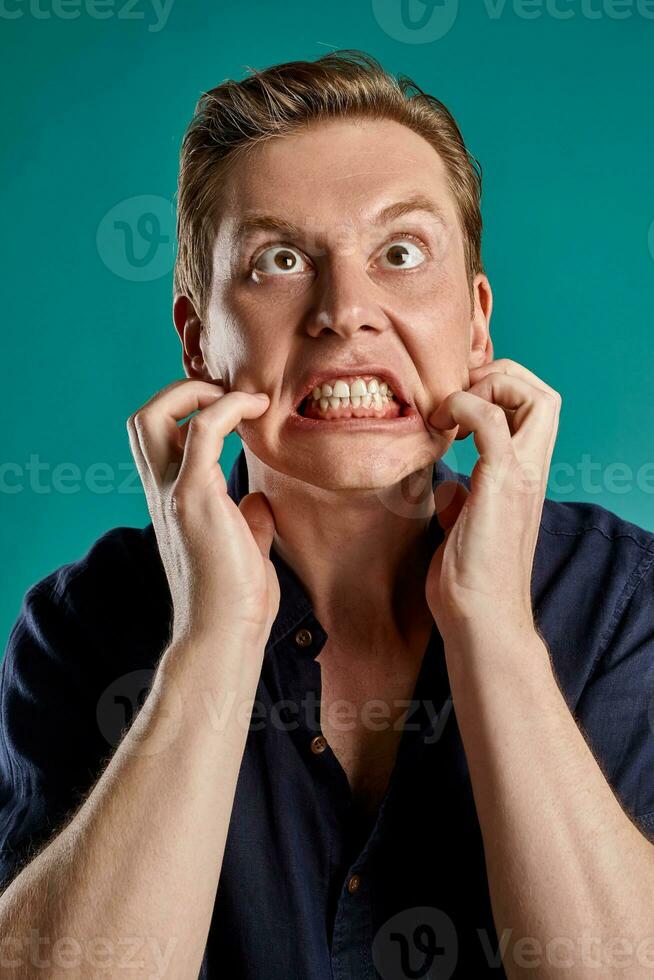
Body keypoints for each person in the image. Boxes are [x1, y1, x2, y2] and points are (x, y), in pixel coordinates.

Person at [1, 49, 653, 980]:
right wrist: (213, 642)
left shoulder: (624, 603)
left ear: (475, 324)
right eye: (279, 261)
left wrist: (497, 632)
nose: (346, 312)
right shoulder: (80, 628)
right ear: (199, 342)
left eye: (400, 253)